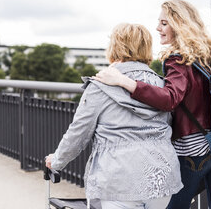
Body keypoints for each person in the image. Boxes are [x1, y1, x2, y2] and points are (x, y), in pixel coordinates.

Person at [94, 0, 211, 209]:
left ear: (179, 26)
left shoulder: (177, 59)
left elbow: (169, 99)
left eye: (163, 23)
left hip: (194, 151)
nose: (157, 28)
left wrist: (125, 82)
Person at [45, 23, 183, 209]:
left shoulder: (101, 85)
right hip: (160, 178)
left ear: (115, 46)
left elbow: (79, 132)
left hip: (119, 178)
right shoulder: (161, 85)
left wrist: (57, 161)